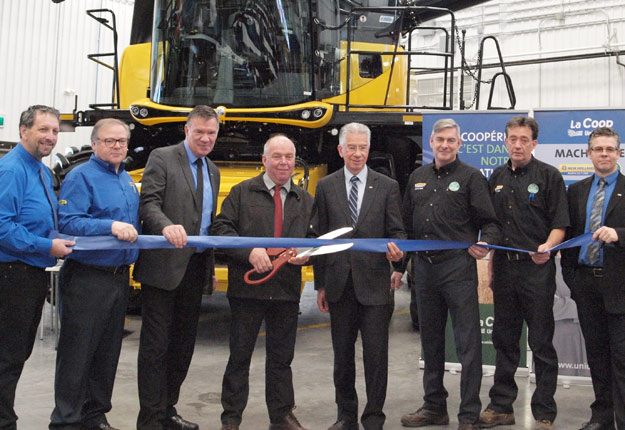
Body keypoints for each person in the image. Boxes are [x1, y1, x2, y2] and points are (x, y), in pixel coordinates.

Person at [397, 118, 500, 430]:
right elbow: (404, 225)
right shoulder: (417, 177)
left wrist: (486, 243)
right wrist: (398, 270)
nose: (444, 145)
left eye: (451, 140)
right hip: (424, 272)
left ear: (459, 144)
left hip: (457, 269)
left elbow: (491, 222)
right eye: (439, 139)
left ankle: (468, 415)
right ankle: (434, 407)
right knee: (430, 343)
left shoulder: (471, 178)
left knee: (468, 345)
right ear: (431, 142)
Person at [214, 135, 315, 430]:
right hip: (248, 290)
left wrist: (306, 256)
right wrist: (248, 252)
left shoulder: (305, 200)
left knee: (282, 359)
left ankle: (281, 415)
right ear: (264, 160)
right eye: (277, 156)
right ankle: (231, 419)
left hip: (285, 290)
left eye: (289, 157)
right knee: (239, 357)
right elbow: (221, 228)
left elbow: (314, 239)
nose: (283, 162)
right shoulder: (242, 193)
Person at [133, 105, 221, 430]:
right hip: (163, 268)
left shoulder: (213, 169)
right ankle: (150, 420)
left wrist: (210, 266)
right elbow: (149, 203)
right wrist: (166, 226)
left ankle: (168, 409)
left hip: (195, 269)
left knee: (183, 346)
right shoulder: (163, 157)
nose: (205, 138)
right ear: (187, 130)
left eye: (211, 133)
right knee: (156, 347)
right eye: (199, 131)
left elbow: (207, 223)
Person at [479, 116, 569, 430]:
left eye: (524, 139)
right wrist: (489, 259)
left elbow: (560, 224)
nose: (518, 144)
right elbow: (491, 223)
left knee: (542, 342)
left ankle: (544, 412)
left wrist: (547, 246)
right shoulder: (496, 176)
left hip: (537, 270)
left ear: (534, 143)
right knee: (504, 339)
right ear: (505, 141)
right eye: (512, 138)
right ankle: (501, 406)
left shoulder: (549, 176)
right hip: (504, 271)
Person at [49, 118, 140, 430]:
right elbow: (69, 222)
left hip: (118, 277)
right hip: (87, 277)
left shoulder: (126, 179)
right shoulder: (80, 177)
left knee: (106, 351)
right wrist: (109, 226)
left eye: (122, 141)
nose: (117, 146)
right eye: (110, 141)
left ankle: (94, 415)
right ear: (96, 143)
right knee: (78, 352)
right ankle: (66, 420)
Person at [314, 122, 405, 430]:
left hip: (375, 287)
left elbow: (397, 232)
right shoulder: (325, 186)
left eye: (362, 148)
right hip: (339, 286)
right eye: (350, 147)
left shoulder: (387, 186)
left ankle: (374, 418)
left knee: (376, 358)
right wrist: (321, 284)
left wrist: (397, 254)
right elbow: (320, 240)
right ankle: (346, 417)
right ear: (340, 150)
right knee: (342, 359)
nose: (357, 153)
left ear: (369, 150)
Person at [0, 105, 74, 430]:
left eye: (55, 131)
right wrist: (48, 246)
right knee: (7, 357)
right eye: (43, 129)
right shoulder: (12, 170)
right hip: (11, 275)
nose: (50, 137)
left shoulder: (43, 171)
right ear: (23, 130)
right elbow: (2, 227)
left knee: (17, 355)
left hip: (31, 276)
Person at [561, 127, 625, 430]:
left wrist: (619, 234)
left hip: (620, 287)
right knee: (597, 358)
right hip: (586, 284)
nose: (604, 154)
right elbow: (569, 235)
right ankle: (602, 418)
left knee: (621, 360)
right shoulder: (576, 191)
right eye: (598, 149)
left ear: (618, 153)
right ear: (588, 153)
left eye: (609, 149)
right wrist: (572, 279)